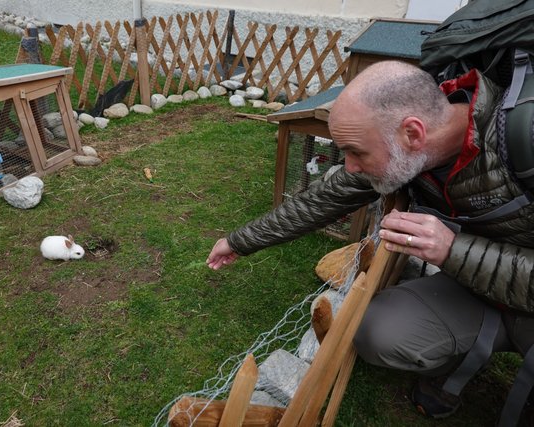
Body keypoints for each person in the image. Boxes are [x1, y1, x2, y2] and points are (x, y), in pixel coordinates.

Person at [206, 60, 534, 425]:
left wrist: (454, 251)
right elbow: (323, 200)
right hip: (480, 289)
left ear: (413, 132)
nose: (349, 166)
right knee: (377, 330)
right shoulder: (405, 147)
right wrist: (238, 241)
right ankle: (458, 356)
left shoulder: (524, 144)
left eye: (356, 152)